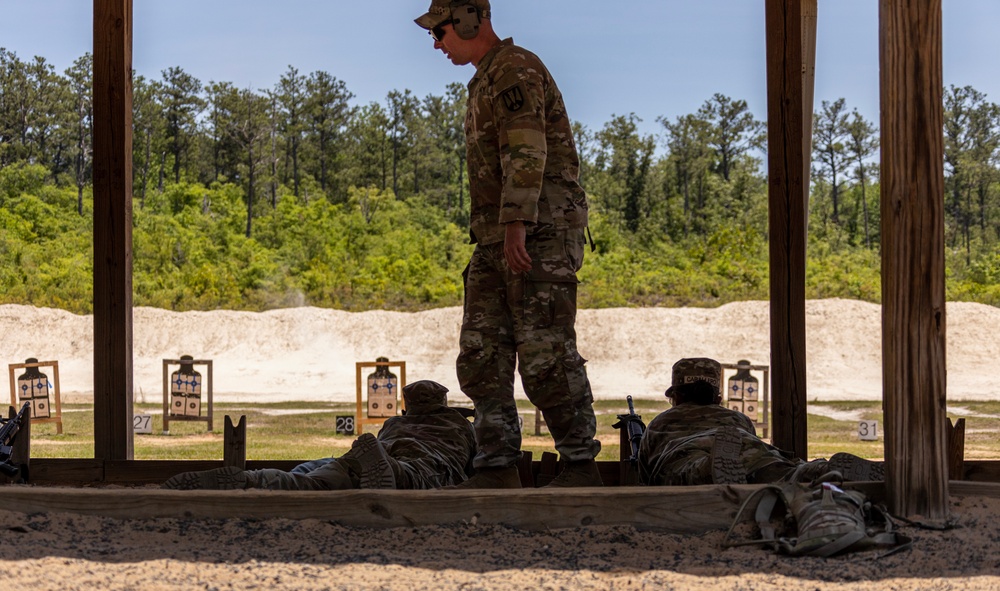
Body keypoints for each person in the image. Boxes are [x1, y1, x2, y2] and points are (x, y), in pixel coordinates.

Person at [414, 0, 602, 488]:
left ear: (470, 20)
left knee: (546, 353)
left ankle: (580, 466)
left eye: (440, 31)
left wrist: (517, 221)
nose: (436, 44)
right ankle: (496, 465)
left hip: (536, 233)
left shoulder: (513, 69)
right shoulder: (486, 76)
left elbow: (526, 147)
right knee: (482, 351)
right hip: (498, 237)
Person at [162, 380, 477, 490]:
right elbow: (475, 468)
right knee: (418, 477)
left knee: (312, 482)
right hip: (418, 460)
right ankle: (389, 469)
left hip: (367, 453)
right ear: (443, 403)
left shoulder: (394, 423)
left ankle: (255, 479)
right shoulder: (460, 425)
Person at [637, 358, 884, 486]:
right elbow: (752, 442)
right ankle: (819, 469)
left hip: (686, 452)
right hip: (745, 443)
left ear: (677, 396)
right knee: (776, 469)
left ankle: (707, 467)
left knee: (687, 473)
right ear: (718, 396)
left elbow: (646, 471)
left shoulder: (661, 421)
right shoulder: (736, 417)